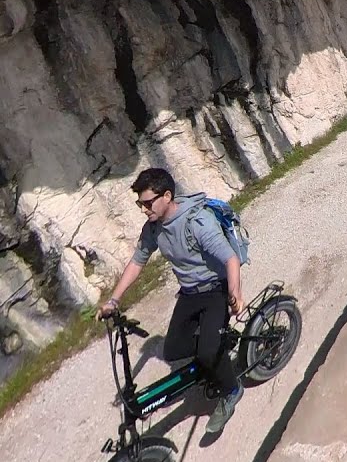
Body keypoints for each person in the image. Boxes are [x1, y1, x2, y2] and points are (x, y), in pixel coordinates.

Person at [97, 167, 246, 435]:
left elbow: (230, 259)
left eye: (147, 202)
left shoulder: (197, 222)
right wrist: (114, 301)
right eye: (139, 203)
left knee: (207, 351)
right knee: (173, 351)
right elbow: (137, 262)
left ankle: (231, 390)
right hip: (189, 292)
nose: (143, 209)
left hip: (215, 290)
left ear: (167, 196)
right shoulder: (153, 229)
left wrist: (235, 293)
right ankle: (215, 342)